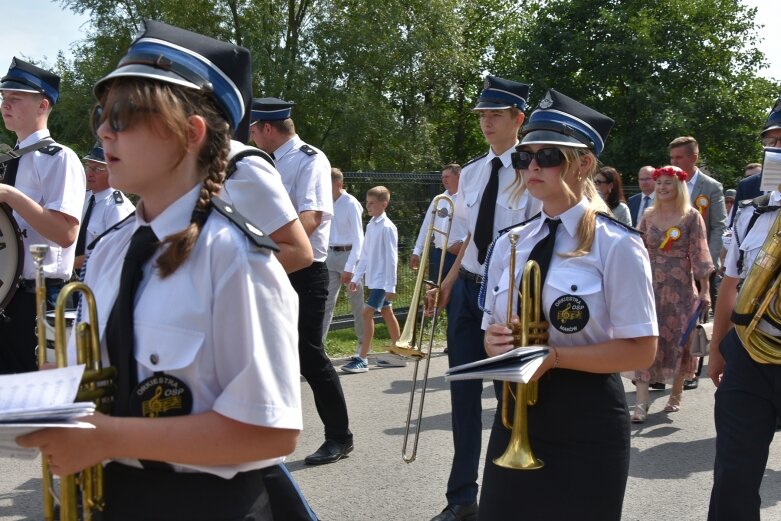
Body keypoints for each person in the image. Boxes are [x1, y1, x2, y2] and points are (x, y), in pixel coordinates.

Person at [16, 20, 302, 520]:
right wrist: (56, 390)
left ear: (189, 133)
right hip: (108, 497)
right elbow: (108, 376)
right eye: (101, 115)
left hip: (204, 507)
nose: (104, 129)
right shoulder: (111, 248)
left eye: (123, 115)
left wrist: (108, 437)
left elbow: (271, 429)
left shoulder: (236, 259)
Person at [479, 88, 657, 521]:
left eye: (548, 156)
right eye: (525, 157)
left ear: (583, 164)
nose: (533, 166)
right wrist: (496, 341)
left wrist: (555, 356)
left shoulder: (617, 245)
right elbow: (489, 333)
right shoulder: (510, 242)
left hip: (587, 418)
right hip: (514, 414)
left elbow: (642, 350)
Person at [430, 75, 541, 521]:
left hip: (509, 299)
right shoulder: (474, 172)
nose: (486, 122)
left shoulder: (534, 169)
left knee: (508, 398)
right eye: (481, 115)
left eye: (495, 114)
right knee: (461, 395)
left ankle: (505, 496)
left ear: (519, 118)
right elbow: (470, 240)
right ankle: (461, 498)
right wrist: (449, 284)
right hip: (469, 290)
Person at [250, 97, 353, 466]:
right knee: (265, 353)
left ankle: (340, 437)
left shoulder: (310, 158)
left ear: (266, 128)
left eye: (252, 127)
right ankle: (266, 432)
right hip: (270, 264)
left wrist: (269, 248)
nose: (248, 134)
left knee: (309, 355)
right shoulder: (263, 162)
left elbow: (310, 218)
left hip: (305, 269)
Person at [707, 96, 781, 521]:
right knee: (734, 475)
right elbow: (730, 283)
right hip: (748, 354)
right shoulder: (751, 196)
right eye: (769, 140)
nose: (774, 149)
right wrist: (719, 348)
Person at [0, 57, 86, 374]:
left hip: (37, 298)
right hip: (6, 294)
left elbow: (65, 234)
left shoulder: (59, 158)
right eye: (3, 98)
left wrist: (10, 195)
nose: (5, 104)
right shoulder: (8, 160)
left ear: (42, 105)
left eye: (15, 98)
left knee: (32, 394)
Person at [631, 166, 713, 422]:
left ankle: (676, 393)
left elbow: (699, 254)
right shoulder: (647, 214)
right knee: (646, 337)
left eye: (668, 183)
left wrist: (705, 291)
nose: (663, 187)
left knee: (679, 341)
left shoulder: (691, 216)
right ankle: (641, 403)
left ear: (678, 186)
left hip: (681, 289)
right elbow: (636, 249)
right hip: (649, 286)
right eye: (659, 183)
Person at [669, 135, 727, 389]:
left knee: (696, 317)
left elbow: (718, 226)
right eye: (671, 158)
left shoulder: (710, 187)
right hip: (672, 261)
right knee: (671, 313)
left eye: (679, 157)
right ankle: (671, 366)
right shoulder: (668, 182)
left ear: (694, 158)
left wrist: (707, 261)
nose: (674, 162)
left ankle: (693, 370)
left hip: (699, 263)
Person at [343, 186, 400, 372]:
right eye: (367, 203)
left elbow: (392, 259)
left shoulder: (388, 227)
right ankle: (399, 353)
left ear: (384, 204)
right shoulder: (371, 225)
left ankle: (362, 358)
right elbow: (365, 255)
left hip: (382, 282)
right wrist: (356, 277)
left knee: (366, 314)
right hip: (373, 280)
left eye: (372, 203)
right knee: (386, 313)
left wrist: (391, 285)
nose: (368, 206)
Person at [323, 167, 365, 353]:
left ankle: (362, 347)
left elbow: (359, 239)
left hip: (350, 256)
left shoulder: (351, 203)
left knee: (356, 303)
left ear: (338, 184)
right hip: (330, 255)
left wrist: (350, 268)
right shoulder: (326, 201)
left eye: (327, 184)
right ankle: (319, 347)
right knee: (325, 302)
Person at [74, 143, 135, 271]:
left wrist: (70, 263)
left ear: (113, 171)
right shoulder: (84, 197)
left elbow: (115, 253)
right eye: (88, 167)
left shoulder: (117, 207)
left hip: (96, 281)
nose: (89, 173)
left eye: (96, 169)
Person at [410, 164, 468, 293]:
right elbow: (426, 226)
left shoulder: (467, 198)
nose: (444, 180)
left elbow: (475, 225)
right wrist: (416, 251)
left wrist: (463, 244)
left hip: (458, 256)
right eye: (442, 177)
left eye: (447, 176)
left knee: (456, 295)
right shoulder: (439, 199)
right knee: (438, 295)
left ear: (459, 176)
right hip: (439, 255)